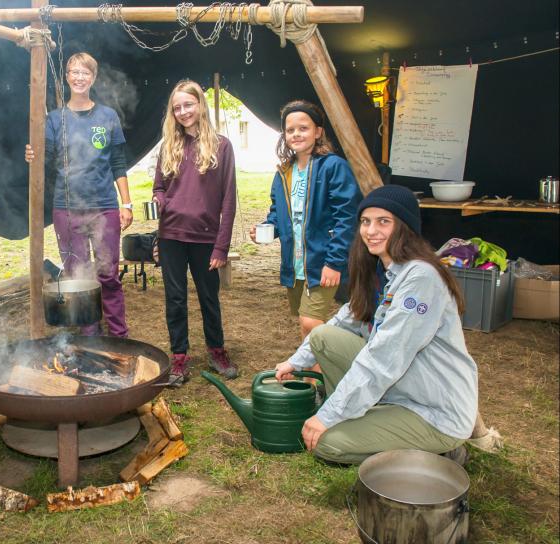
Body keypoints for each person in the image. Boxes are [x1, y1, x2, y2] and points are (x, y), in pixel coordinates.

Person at [274, 185, 478, 464]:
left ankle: (440, 451)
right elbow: (343, 320)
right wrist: (295, 362)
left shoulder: (421, 279)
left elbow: (384, 358)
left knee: (328, 444)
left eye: (384, 221)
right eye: (365, 222)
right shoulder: (384, 271)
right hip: (402, 391)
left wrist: (327, 417)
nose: (371, 231)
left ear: (404, 227)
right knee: (324, 335)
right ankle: (364, 415)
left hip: (434, 411)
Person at [24, 52, 133, 337]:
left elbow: (118, 164)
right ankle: (90, 335)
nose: (80, 77)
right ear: (67, 77)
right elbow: (45, 160)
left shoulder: (107, 117)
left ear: (93, 77)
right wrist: (32, 154)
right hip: (67, 208)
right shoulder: (54, 119)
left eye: (85, 72)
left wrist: (127, 203)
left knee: (108, 273)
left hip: (104, 207)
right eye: (74, 71)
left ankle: (119, 334)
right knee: (78, 275)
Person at [251, 100, 361, 341]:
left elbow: (347, 217)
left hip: (322, 261)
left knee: (310, 322)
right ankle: (310, 377)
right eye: (290, 130)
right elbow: (277, 213)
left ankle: (320, 375)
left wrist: (334, 263)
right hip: (295, 263)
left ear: (318, 132)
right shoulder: (284, 172)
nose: (296, 134)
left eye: (303, 128)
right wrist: (268, 227)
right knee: (306, 322)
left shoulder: (333, 167)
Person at [152, 80, 238, 387]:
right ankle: (179, 356)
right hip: (171, 235)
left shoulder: (221, 146)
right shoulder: (169, 145)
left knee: (208, 296)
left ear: (200, 105)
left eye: (188, 105)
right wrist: (161, 201)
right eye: (177, 108)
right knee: (175, 299)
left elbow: (229, 198)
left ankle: (217, 350)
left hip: (205, 237)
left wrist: (221, 247)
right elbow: (159, 187)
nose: (183, 112)